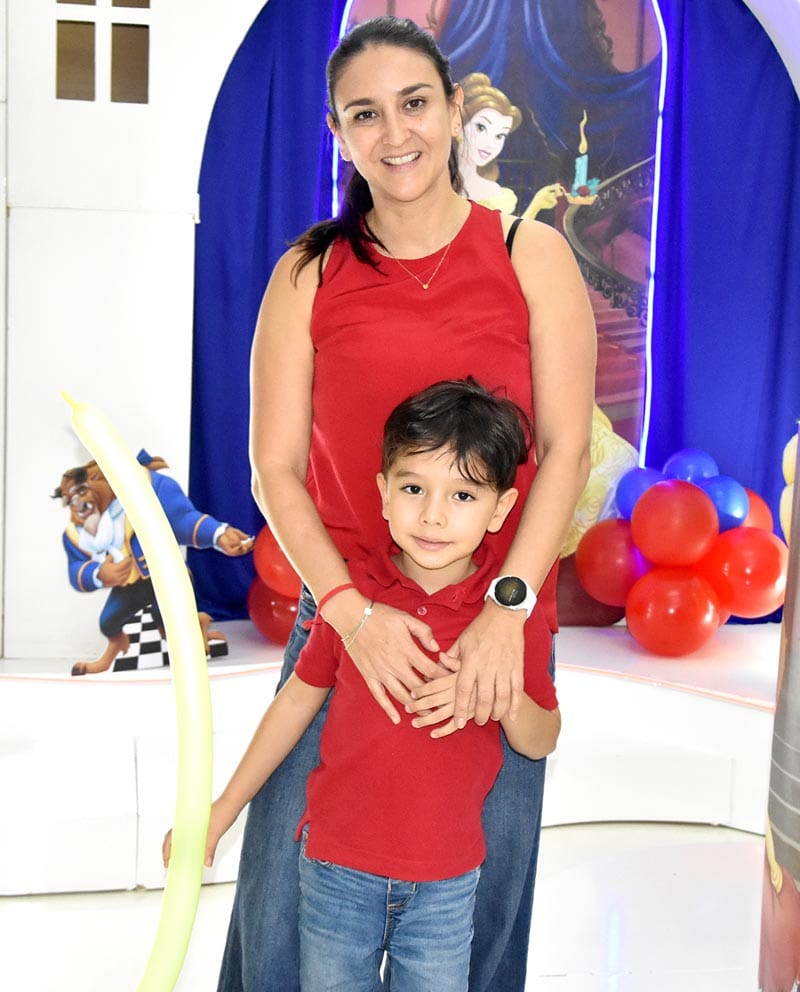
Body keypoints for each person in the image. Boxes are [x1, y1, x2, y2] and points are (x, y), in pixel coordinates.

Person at [217, 15, 595, 992]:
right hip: (348, 617)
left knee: (473, 926)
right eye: (364, 113)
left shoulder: (529, 253)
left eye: (414, 102)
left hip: (496, 622)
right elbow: (273, 469)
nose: (395, 132)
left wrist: (506, 614)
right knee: (281, 916)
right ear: (338, 133)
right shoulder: (308, 272)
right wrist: (351, 614)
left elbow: (565, 449)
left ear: (455, 110)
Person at [165, 378, 561, 990]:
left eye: (462, 494)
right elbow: (294, 704)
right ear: (382, 494)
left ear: (501, 510)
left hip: (448, 886)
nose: (433, 514)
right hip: (334, 876)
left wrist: (500, 693)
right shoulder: (355, 603)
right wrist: (221, 811)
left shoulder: (505, 624)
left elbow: (541, 739)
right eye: (413, 488)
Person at [457, 71, 565, 220]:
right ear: (457, 124)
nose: (491, 144)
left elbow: (502, 235)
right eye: (481, 128)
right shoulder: (435, 181)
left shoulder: (492, 192)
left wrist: (536, 204)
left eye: (500, 136)